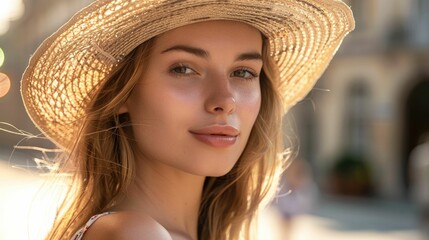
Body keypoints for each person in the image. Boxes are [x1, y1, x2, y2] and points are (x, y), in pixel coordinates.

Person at [20, 0, 354, 239]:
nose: (224, 101)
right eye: (184, 69)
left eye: (243, 72)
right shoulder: (134, 234)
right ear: (122, 95)